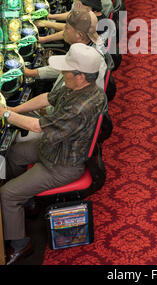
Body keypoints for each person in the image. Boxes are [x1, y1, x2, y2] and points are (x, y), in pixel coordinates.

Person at [0, 43, 106, 265]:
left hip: (63, 164)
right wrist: (15, 110)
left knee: (7, 194)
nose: (62, 72)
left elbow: (40, 126)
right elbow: (48, 97)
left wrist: (6, 114)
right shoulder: (80, 86)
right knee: (14, 153)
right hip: (56, 146)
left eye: (67, 69)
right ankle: (28, 202)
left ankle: (20, 245)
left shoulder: (81, 106)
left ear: (81, 76)